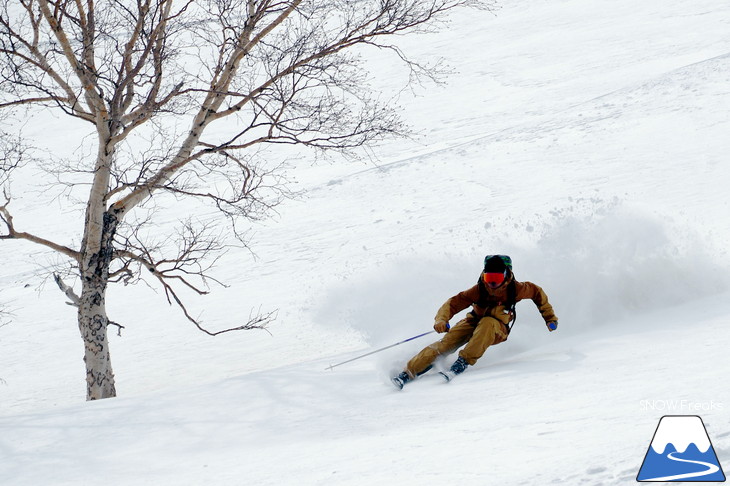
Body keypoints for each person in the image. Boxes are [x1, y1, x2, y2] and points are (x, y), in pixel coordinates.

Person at [391, 255, 558, 389]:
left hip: (497, 328)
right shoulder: (479, 289)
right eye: (489, 277)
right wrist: (441, 319)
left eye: (496, 277)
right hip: (473, 321)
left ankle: (463, 361)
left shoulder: (517, 289)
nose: (492, 282)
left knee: (487, 323)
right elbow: (453, 303)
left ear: (506, 275)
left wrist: (549, 318)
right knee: (446, 343)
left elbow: (538, 293)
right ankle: (408, 372)